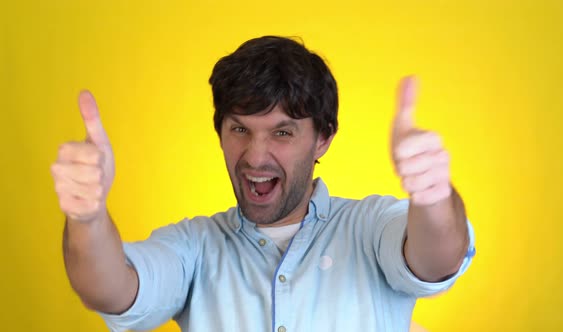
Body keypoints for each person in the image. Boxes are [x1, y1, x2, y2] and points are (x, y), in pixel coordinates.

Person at [51, 36, 475, 332]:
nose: (255, 156)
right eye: (239, 129)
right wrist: (87, 216)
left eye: (282, 133)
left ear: (323, 137)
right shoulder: (194, 246)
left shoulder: (369, 227)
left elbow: (436, 259)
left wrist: (434, 197)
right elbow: (109, 289)